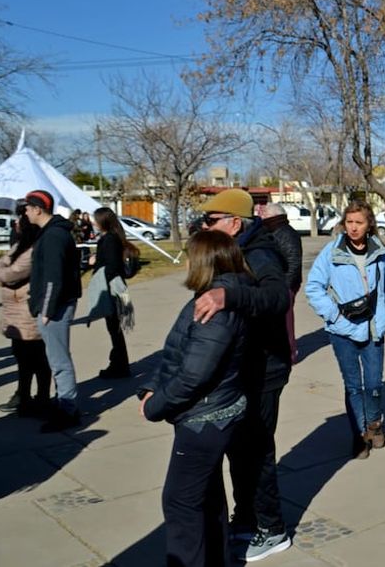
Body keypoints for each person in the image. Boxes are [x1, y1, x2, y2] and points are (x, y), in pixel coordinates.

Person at [140, 231, 253, 567]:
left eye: (189, 255)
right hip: (214, 413)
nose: (185, 262)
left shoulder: (214, 308)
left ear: (203, 261)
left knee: (180, 502)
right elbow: (177, 351)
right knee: (206, 496)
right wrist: (150, 385)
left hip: (206, 418)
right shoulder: (219, 297)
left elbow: (194, 374)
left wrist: (155, 405)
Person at [192, 188, 293, 562]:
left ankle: (272, 528)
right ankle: (247, 517)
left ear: (235, 224)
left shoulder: (260, 252)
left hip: (264, 370)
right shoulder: (234, 252)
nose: (204, 226)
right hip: (243, 368)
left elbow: (278, 297)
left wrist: (228, 298)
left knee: (256, 451)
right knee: (239, 450)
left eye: (211, 220)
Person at [306, 200, 385, 459]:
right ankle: (359, 435)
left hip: (373, 329)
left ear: (369, 224)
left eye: (359, 222)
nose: (354, 228)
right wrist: (333, 315)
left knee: (373, 384)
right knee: (353, 386)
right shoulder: (331, 251)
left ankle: (374, 424)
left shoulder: (380, 251)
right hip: (342, 331)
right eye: (349, 222)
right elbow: (313, 287)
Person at [24, 189, 83, 433]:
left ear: (38, 209)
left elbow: (53, 278)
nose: (25, 212)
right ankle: (64, 404)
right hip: (55, 305)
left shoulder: (54, 236)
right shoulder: (52, 233)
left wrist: (46, 310)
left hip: (55, 307)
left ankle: (67, 410)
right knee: (57, 358)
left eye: (27, 208)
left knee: (59, 361)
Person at [0, 201, 51, 417]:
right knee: (22, 358)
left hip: (26, 313)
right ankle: (23, 396)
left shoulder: (33, 248)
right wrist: (2, 266)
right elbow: (0, 269)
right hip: (14, 314)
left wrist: (1, 267)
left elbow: (8, 274)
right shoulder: (21, 245)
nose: (16, 222)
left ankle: (41, 398)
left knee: (36, 359)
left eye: (21, 216)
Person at [91, 207, 140, 379]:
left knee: (115, 329)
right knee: (115, 329)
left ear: (102, 221)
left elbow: (112, 266)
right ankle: (118, 363)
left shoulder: (110, 239)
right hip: (115, 287)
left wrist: (98, 269)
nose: (93, 222)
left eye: (95, 219)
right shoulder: (112, 238)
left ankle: (120, 366)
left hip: (113, 289)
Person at [259, 203, 302, 364]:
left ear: (272, 215)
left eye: (264, 214)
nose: (261, 216)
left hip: (285, 285)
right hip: (277, 283)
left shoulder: (286, 233)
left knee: (286, 321)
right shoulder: (273, 230)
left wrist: (286, 287)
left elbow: (293, 261)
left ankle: (290, 354)